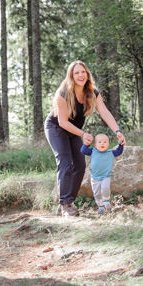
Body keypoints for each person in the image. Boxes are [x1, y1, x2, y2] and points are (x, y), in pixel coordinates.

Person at [44, 60, 126, 217]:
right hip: (56, 128)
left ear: (87, 74)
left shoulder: (92, 92)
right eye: (76, 73)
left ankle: (68, 202)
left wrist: (117, 131)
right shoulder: (63, 93)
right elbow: (62, 122)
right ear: (71, 76)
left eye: (83, 72)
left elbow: (104, 112)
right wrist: (83, 134)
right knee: (65, 162)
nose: (80, 75)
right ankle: (64, 204)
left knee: (80, 165)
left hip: (74, 131)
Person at [81, 133, 125, 214]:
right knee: (97, 193)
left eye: (105, 142)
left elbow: (119, 152)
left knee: (105, 188)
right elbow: (83, 151)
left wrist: (121, 144)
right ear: (95, 144)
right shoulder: (93, 151)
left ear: (108, 144)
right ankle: (100, 207)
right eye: (100, 142)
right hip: (94, 177)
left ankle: (106, 201)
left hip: (105, 176)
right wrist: (86, 144)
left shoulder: (110, 152)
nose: (102, 144)